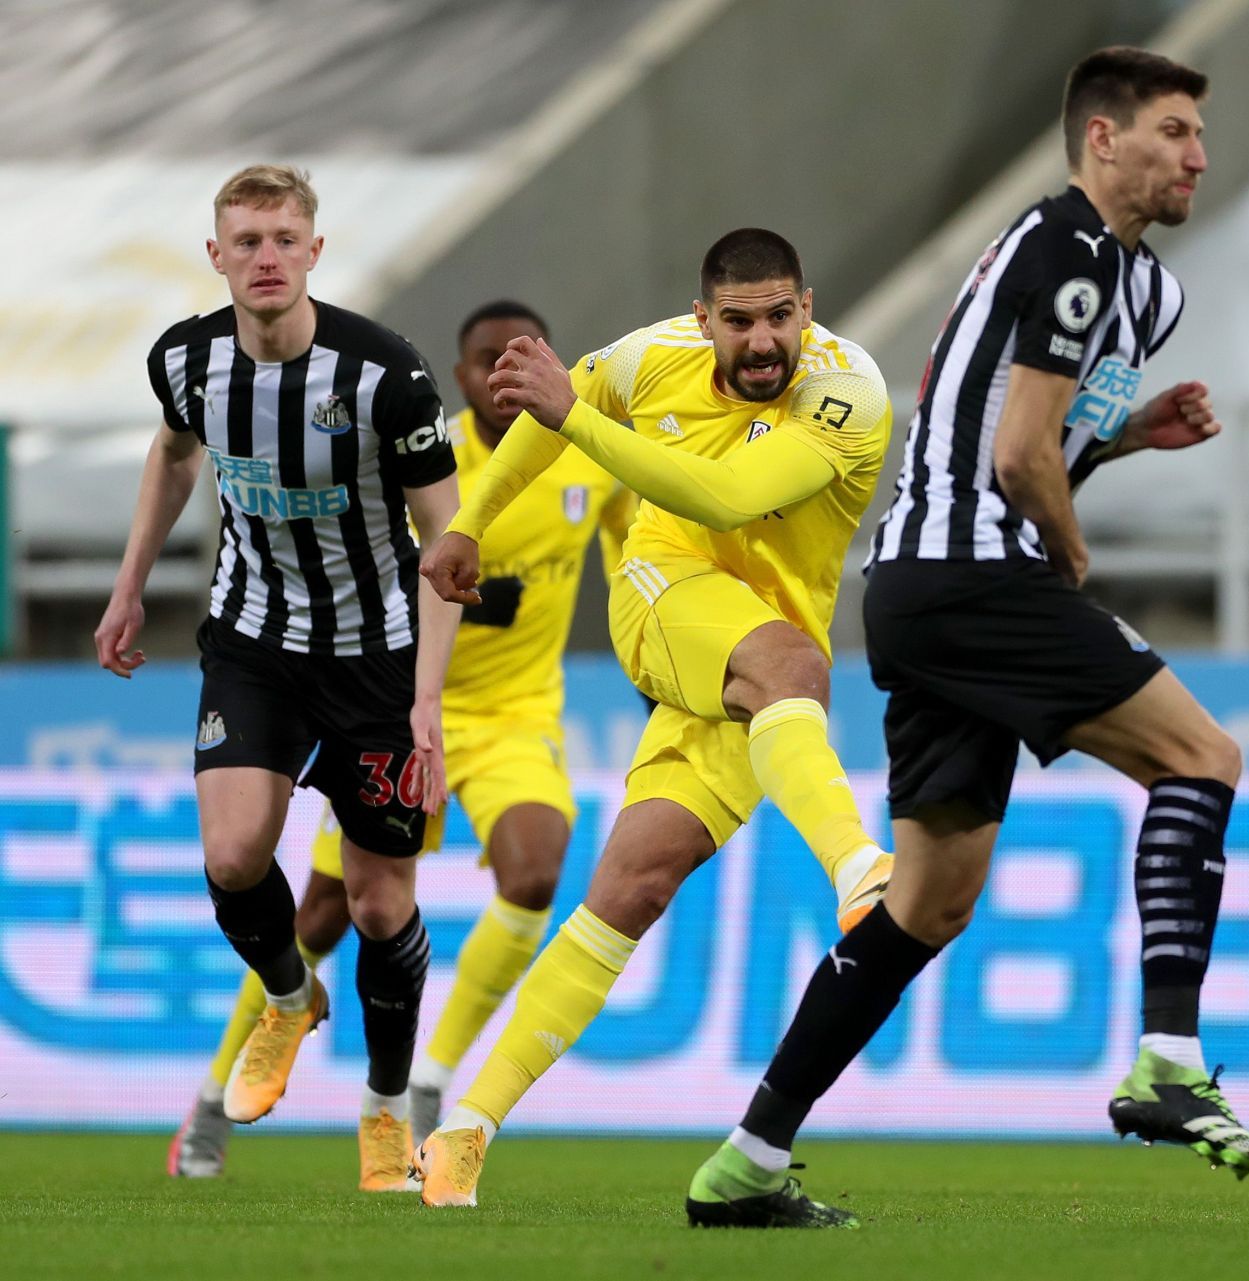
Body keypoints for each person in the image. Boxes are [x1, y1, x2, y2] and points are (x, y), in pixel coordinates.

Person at [685, 47, 1249, 1230]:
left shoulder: (1136, 288)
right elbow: (1019, 465)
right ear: (1103, 139)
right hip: (975, 575)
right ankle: (1170, 1057)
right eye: (1175, 132)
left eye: (1202, 137)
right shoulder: (1067, 248)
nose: (1199, 157)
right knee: (1202, 759)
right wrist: (1070, 553)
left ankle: (749, 1160)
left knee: (929, 904)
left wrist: (1130, 441)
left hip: (917, 590)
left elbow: (1041, 439)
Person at [409, 228, 893, 1207]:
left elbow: (722, 495)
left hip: (749, 666)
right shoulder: (648, 355)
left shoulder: (852, 394)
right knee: (797, 667)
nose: (764, 342)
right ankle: (859, 868)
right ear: (703, 317)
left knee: (630, 889)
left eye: (781, 317)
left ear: (807, 306)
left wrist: (571, 415)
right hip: (661, 594)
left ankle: (461, 1133)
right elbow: (550, 424)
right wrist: (469, 522)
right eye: (741, 321)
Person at [164, 300, 636, 1180]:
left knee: (536, 870)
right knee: (327, 915)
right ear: (461, 380)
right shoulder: (418, 446)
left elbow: (633, 558)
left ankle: (429, 1078)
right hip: (394, 705)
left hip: (517, 718)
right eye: (488, 359)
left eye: (525, 353)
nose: (507, 371)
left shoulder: (593, 454)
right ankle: (211, 1100)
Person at [96, 164, 463, 1192]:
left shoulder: (386, 377)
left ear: (314, 251)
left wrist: (428, 697)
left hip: (378, 659)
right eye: (246, 241)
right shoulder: (187, 360)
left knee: (384, 907)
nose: (266, 257)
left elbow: (448, 544)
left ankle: (387, 1106)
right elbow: (173, 454)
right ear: (217, 257)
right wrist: (129, 587)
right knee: (231, 856)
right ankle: (290, 997)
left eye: (283, 239)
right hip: (254, 641)